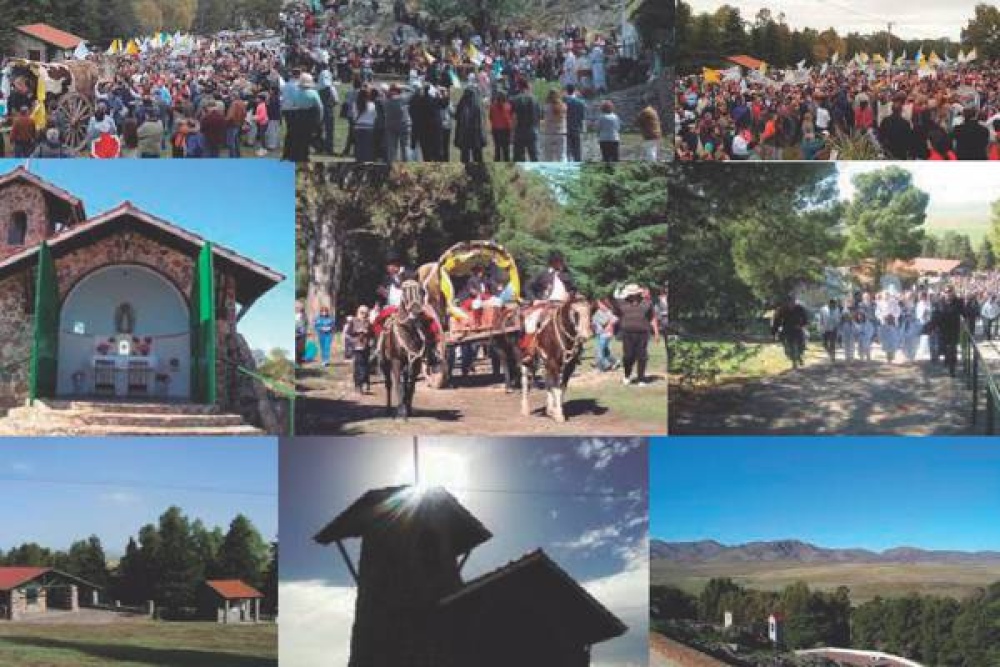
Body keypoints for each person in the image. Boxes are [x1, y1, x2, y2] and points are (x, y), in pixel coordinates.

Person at [610, 284, 658, 386]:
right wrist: (610, 327)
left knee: (642, 356)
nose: (632, 296)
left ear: (638, 293)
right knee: (628, 356)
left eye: (634, 294)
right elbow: (615, 316)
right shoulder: (621, 303)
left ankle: (641, 378)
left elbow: (652, 318)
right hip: (627, 333)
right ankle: (627, 376)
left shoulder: (647, 303)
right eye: (630, 294)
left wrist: (656, 332)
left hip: (643, 333)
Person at [934, 285, 964, 377]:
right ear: (943, 293)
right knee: (944, 350)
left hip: (954, 330)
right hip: (942, 331)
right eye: (946, 291)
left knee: (952, 350)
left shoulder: (959, 302)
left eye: (950, 291)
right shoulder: (939, 302)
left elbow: (964, 312)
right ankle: (947, 360)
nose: (948, 293)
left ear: (953, 292)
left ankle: (952, 370)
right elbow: (935, 315)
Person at [772, 295, 808, 368]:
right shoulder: (782, 309)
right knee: (787, 344)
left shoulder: (800, 308)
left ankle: (800, 355)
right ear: (787, 302)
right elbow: (777, 321)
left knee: (803, 341)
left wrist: (801, 325)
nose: (791, 304)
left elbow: (805, 319)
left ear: (795, 301)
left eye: (793, 302)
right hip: (787, 329)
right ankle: (793, 359)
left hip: (798, 328)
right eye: (789, 302)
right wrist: (774, 331)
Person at [454, 87, 486, 163]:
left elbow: (456, 116)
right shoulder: (477, 103)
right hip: (474, 133)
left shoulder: (463, 103)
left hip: (468, 133)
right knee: (474, 154)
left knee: (469, 154)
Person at [511, 80, 540, 162]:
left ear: (519, 87)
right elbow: (540, 117)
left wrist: (512, 132)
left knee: (518, 158)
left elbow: (513, 117)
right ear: (528, 87)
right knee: (534, 157)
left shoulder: (515, 99)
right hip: (532, 130)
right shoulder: (535, 99)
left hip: (519, 131)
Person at [348, 306, 373, 394]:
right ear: (358, 312)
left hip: (366, 346)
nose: (363, 315)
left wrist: (367, 332)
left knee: (365, 365)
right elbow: (349, 332)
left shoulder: (368, 322)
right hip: (356, 346)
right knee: (358, 366)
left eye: (365, 313)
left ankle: (364, 383)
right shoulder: (353, 321)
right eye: (362, 312)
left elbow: (372, 334)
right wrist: (358, 331)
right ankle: (358, 384)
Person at [591, 298, 619, 372]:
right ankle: (615, 361)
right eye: (598, 304)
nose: (599, 306)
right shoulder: (598, 312)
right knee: (605, 351)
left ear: (605, 304)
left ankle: (603, 366)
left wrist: (609, 325)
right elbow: (594, 322)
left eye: (600, 304)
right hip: (599, 334)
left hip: (605, 335)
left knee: (599, 351)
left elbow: (615, 319)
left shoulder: (608, 312)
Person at [542, 89, 567, 162]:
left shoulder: (546, 107)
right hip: (561, 133)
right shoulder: (563, 106)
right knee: (562, 156)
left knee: (548, 157)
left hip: (548, 133)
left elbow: (545, 119)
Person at [564, 84, 586, 162]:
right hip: (577, 128)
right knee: (577, 150)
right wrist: (584, 129)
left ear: (566, 91)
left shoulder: (563, 102)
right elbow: (583, 117)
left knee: (567, 151)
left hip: (565, 129)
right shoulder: (581, 102)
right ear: (574, 91)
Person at [489, 90, 513, 162]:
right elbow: (511, 118)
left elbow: (490, 117)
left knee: (497, 149)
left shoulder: (493, 106)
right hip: (506, 130)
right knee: (506, 150)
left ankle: (498, 161)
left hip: (496, 130)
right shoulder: (509, 106)